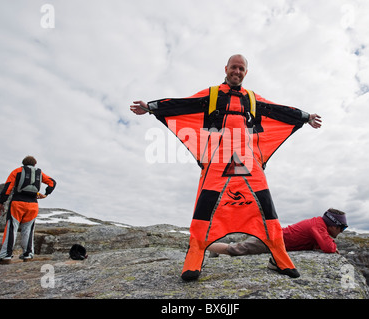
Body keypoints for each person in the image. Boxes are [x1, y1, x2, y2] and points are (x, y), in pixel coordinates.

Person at [130, 54, 322, 280]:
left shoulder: (251, 99)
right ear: (226, 68)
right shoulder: (211, 95)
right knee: (205, 206)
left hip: (248, 162)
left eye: (241, 69)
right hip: (217, 162)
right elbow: (182, 105)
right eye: (234, 67)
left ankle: (280, 256)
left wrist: (306, 116)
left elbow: (277, 110)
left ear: (246, 73)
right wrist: (152, 107)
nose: (237, 72)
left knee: (266, 207)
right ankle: (194, 257)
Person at [207, 208, 348, 262]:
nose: (341, 232)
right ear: (333, 225)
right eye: (341, 228)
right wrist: (332, 246)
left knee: (237, 248)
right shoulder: (317, 226)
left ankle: (213, 250)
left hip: (274, 239)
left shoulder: (318, 225)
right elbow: (328, 247)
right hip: (271, 240)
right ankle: (204, 245)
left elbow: (320, 246)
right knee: (236, 250)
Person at [0, 156, 56, 264]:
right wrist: (46, 194)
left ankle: (6, 256)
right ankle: (27, 254)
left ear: (23, 163)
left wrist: (1, 203)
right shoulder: (40, 173)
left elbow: (8, 187)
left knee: (11, 228)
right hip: (32, 205)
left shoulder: (17, 171)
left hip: (17, 203)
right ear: (34, 164)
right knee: (28, 230)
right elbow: (52, 182)